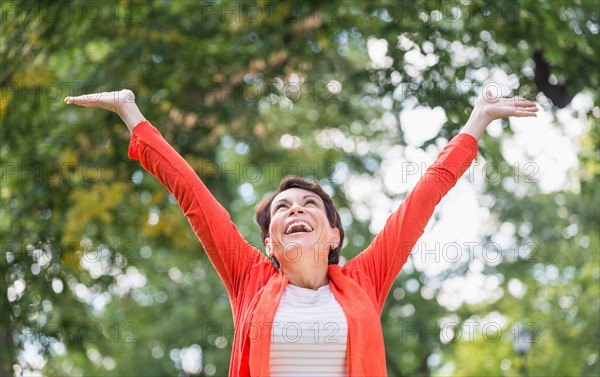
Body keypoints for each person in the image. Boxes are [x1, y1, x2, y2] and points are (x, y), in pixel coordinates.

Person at [64, 89, 537, 376]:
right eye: (283, 208)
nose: (295, 209)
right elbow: (191, 194)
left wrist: (478, 119)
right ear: (269, 243)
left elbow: (424, 198)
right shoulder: (249, 280)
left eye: (310, 204)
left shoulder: (365, 282)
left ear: (333, 235)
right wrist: (131, 113)